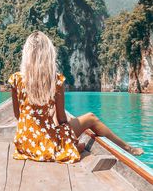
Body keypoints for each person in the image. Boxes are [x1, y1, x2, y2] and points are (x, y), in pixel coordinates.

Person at [8, 31, 143, 163]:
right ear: (48, 54)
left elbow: (18, 115)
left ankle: (72, 147)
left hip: (24, 144)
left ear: (26, 54)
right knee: (91, 118)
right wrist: (68, 125)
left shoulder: (15, 79)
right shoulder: (55, 80)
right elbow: (61, 120)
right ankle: (128, 148)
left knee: (67, 129)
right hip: (45, 144)